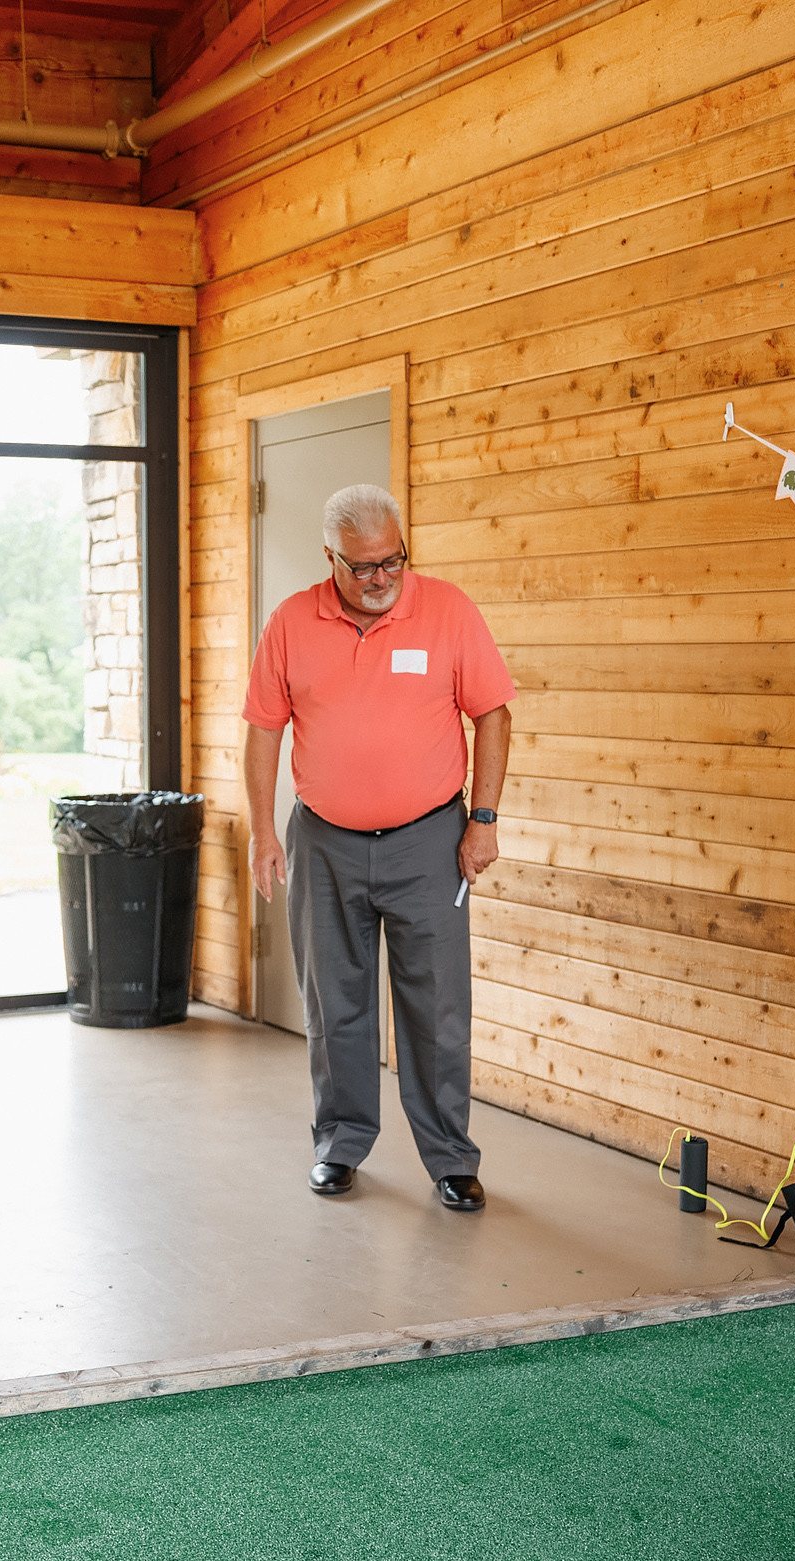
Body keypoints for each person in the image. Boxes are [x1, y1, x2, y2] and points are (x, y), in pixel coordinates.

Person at [242, 483, 515, 1211]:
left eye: (392, 560)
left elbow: (493, 712)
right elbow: (265, 729)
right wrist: (264, 830)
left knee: (437, 1005)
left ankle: (451, 1158)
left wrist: (482, 818)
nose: (380, 578)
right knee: (335, 1003)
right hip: (324, 841)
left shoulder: (448, 611)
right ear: (330, 557)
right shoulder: (292, 622)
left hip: (429, 840)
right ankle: (340, 1144)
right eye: (362, 567)